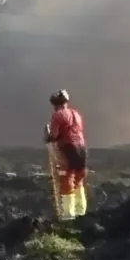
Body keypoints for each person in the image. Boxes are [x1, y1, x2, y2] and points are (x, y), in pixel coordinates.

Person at [43, 89, 87, 219]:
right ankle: (80, 211)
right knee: (79, 177)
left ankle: (68, 214)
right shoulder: (76, 114)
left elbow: (54, 135)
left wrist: (48, 136)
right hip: (82, 147)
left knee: (66, 178)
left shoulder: (58, 115)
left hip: (68, 148)